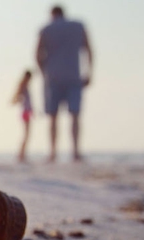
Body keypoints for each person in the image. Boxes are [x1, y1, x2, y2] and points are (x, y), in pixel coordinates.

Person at [36, 5, 93, 162]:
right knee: (74, 115)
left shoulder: (46, 29)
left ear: (52, 14)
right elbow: (89, 49)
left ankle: (53, 152)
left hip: (52, 77)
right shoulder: (78, 26)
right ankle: (75, 152)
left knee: (53, 117)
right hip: (74, 75)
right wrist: (89, 72)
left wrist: (44, 72)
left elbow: (37, 53)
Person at [11, 70, 34, 162]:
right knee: (26, 134)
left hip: (27, 111)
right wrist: (20, 99)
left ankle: (22, 154)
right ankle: (21, 155)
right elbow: (16, 98)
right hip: (25, 112)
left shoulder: (25, 86)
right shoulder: (22, 85)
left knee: (27, 134)